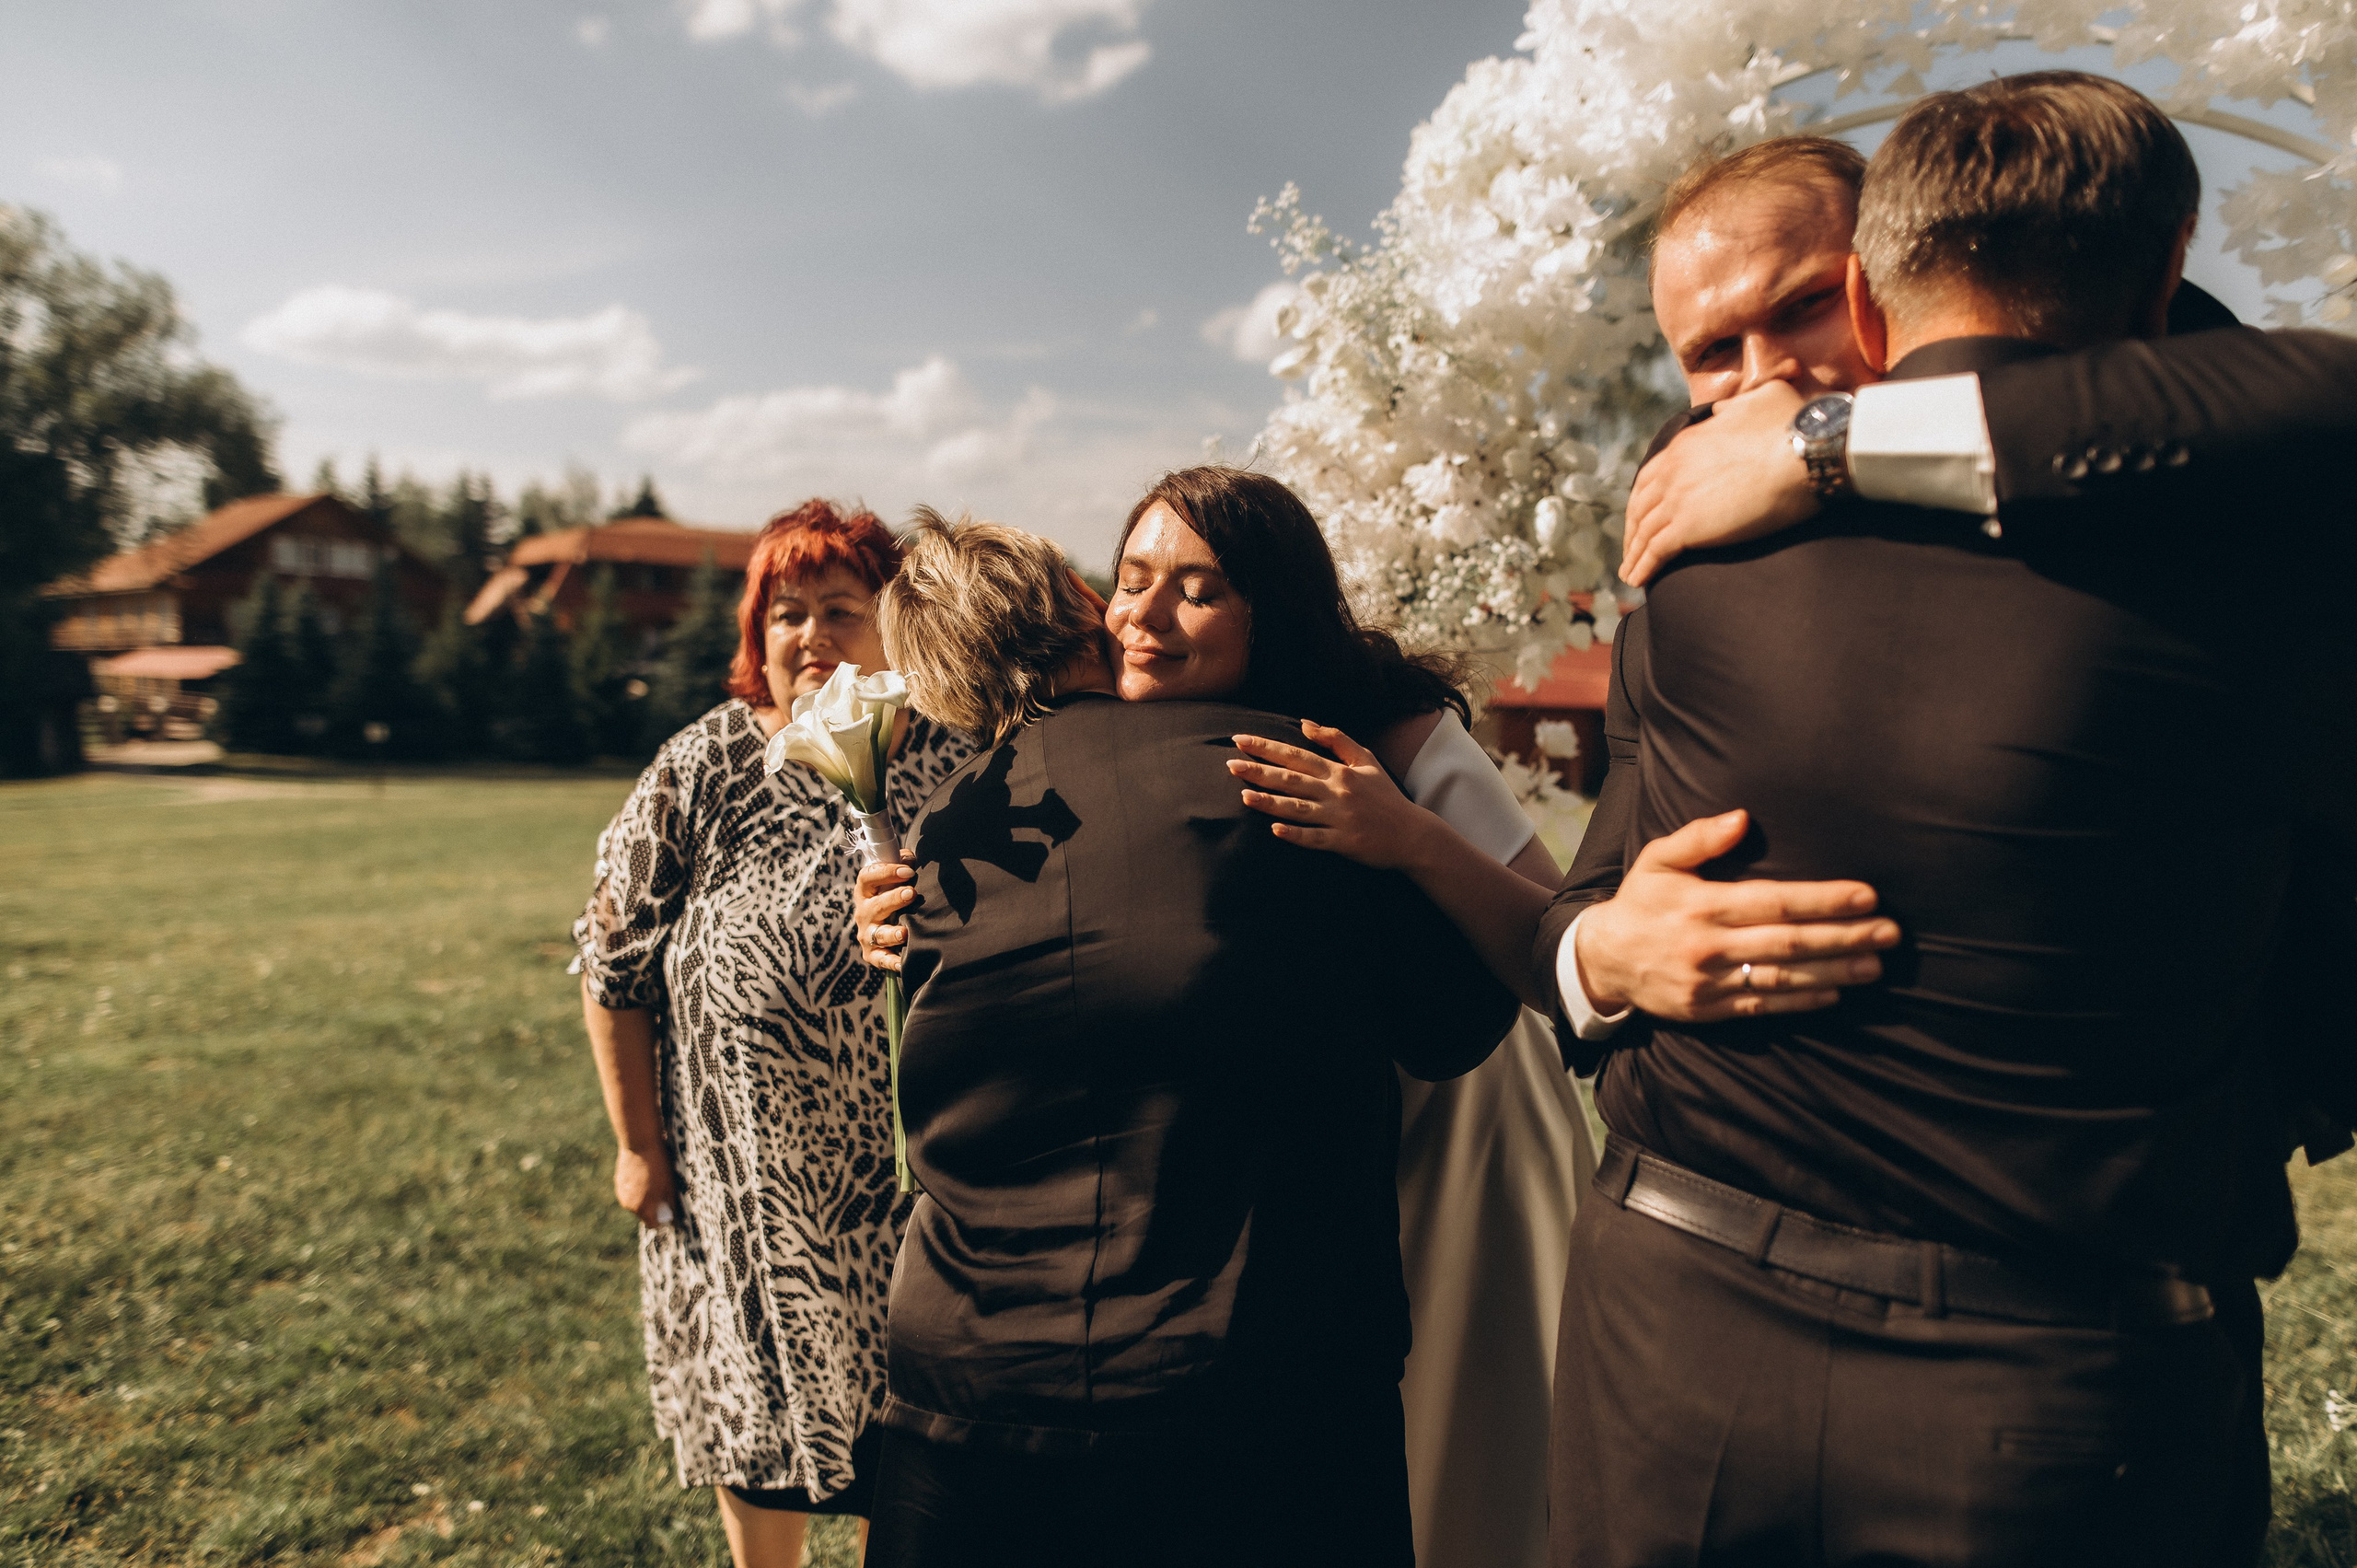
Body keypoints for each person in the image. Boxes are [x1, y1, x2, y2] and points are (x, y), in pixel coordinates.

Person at [1529, 73, 2357, 1567]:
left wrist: (1827, 447)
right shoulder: (1690, 549)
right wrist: (1606, 950)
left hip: (2043, 1354)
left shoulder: (2237, 505)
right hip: (1681, 1321)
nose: (1756, 380)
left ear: (1876, 277)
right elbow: (1579, 906)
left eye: (1791, 317)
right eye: (1708, 351)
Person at [857, 468, 1597, 1568]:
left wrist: (1406, 837)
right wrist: (898, 906)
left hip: (1439, 1152)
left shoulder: (1373, 745)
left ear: (1275, 611)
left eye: (1196, 591)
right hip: (1243, 1301)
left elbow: (1547, 954)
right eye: (1133, 579)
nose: (1144, 619)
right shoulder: (972, 828)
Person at [573, 500, 972, 1568]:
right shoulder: (703, 764)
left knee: (912, 1456)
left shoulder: (950, 760)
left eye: (841, 607)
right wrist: (635, 1143)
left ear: (898, 621)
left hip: (914, 1196)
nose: (811, 634)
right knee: (759, 1447)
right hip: (742, 1202)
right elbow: (611, 962)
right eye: (785, 611)